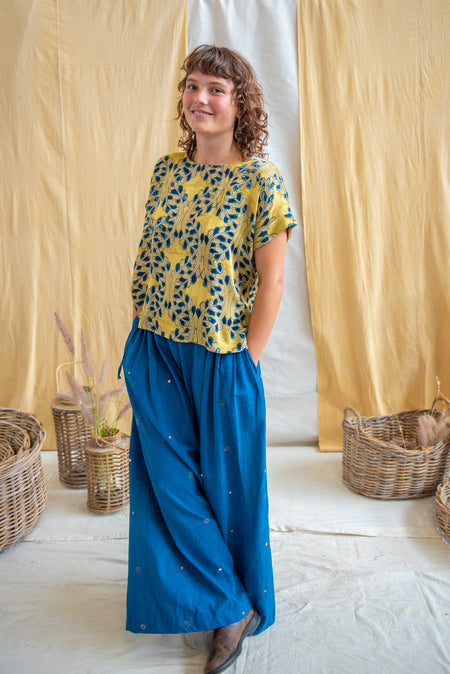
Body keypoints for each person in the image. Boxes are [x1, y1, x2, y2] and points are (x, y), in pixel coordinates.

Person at [120, 44, 297, 674]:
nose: (200, 98)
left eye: (216, 89)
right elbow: (151, 256)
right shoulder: (166, 171)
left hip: (221, 357)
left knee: (223, 489)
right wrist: (140, 331)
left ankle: (228, 604)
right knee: (169, 485)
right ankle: (226, 605)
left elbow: (272, 282)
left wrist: (247, 360)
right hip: (155, 346)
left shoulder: (261, 182)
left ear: (240, 103)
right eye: (192, 86)